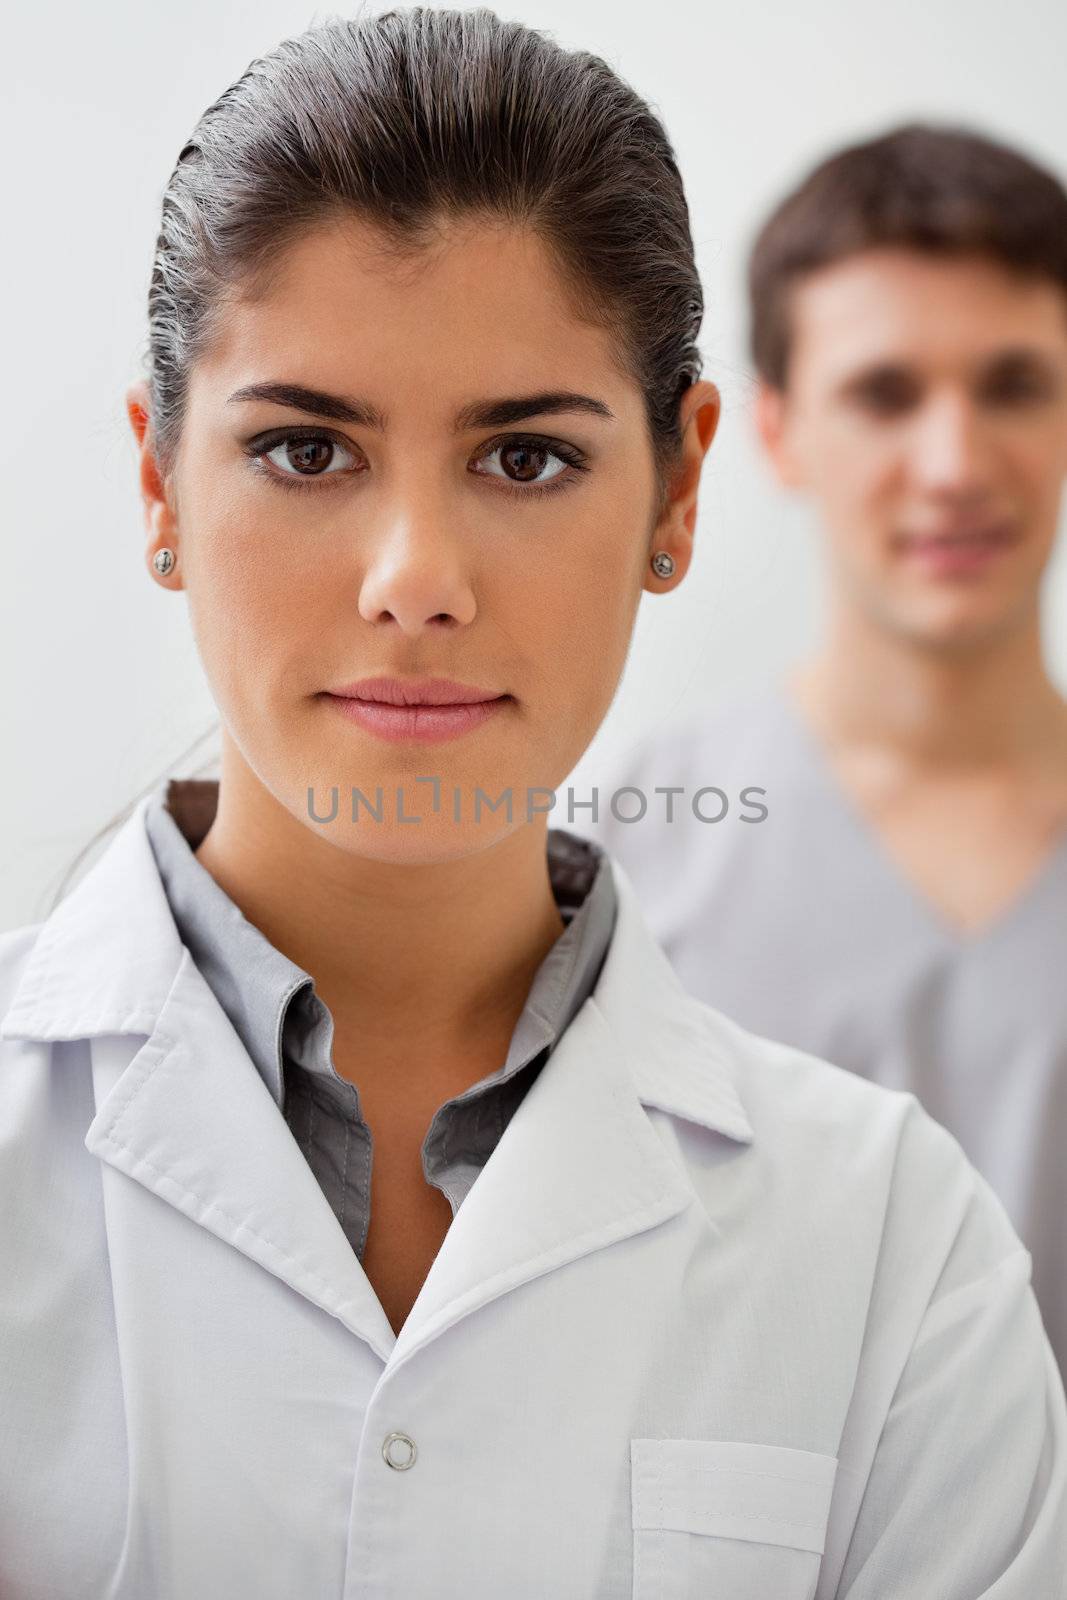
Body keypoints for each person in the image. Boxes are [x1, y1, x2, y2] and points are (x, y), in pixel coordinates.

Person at [0, 20, 1064, 1596]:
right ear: (159, 485)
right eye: (305, 448)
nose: (413, 577)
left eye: (522, 456)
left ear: (675, 493)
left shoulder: (896, 1251)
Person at [577, 124, 1067, 1381]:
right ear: (776, 432)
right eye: (884, 393)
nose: (953, 464)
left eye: (1013, 384)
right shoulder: (619, 866)